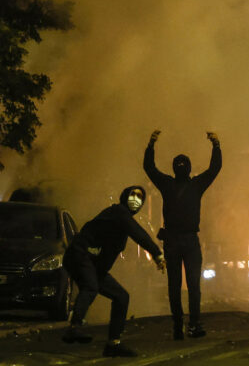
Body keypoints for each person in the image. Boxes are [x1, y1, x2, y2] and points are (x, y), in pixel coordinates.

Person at [62, 185, 165, 357]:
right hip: (79, 255)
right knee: (91, 287)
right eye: (133, 195)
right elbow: (138, 233)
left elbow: (108, 252)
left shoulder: (122, 224)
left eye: (140, 197)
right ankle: (74, 327)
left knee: (121, 296)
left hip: (92, 264)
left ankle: (113, 344)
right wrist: (157, 253)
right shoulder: (118, 212)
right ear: (124, 196)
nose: (136, 200)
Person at [143, 129, 222, 340]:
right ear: (188, 169)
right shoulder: (196, 185)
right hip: (189, 240)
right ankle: (193, 324)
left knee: (174, 285)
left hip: (172, 241)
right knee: (194, 285)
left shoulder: (167, 184)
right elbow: (215, 169)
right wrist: (215, 145)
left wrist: (151, 145)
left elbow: (149, 168)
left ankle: (178, 326)